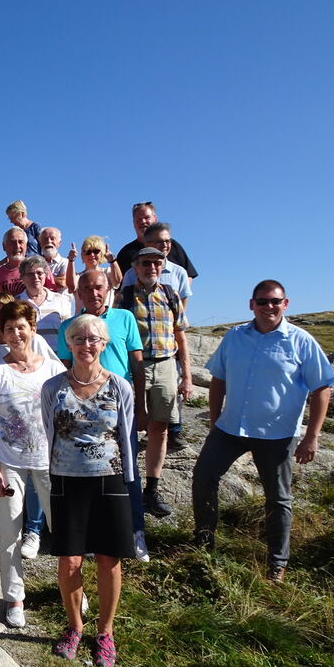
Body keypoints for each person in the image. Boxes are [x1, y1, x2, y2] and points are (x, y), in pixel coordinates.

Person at [192, 280, 334, 582]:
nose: (268, 307)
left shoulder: (301, 341)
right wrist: (215, 419)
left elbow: (322, 388)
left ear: (285, 304)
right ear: (251, 304)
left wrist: (312, 436)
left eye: (275, 301)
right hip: (230, 429)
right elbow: (218, 378)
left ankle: (276, 565)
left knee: (278, 498)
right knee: (204, 477)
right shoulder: (234, 337)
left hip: (277, 435)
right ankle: (204, 543)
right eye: (262, 301)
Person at [42, 314, 137, 667]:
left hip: (109, 479)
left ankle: (106, 632)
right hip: (66, 479)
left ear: (104, 343)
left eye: (93, 339)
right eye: (78, 339)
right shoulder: (53, 388)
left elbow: (127, 436)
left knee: (108, 560)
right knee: (69, 560)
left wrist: (131, 482)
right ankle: (74, 627)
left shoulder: (119, 386)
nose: (86, 345)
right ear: (68, 344)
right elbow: (47, 431)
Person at [0, 301, 65, 628]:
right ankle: (14, 598)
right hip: (9, 463)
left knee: (64, 530)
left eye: (21, 327)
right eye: (9, 328)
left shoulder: (52, 370)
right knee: (10, 533)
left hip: (49, 463)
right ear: (2, 331)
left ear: (32, 328)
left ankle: (72, 591)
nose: (15, 334)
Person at [56, 270, 149, 561]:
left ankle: (135, 532)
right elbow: (64, 367)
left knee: (127, 470)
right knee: (85, 475)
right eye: (86, 288)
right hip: (79, 408)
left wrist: (142, 406)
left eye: (98, 287)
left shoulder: (124, 318)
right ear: (78, 293)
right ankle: (89, 537)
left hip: (117, 405)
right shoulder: (68, 326)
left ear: (108, 289)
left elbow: (137, 364)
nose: (93, 293)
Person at [118, 247, 193, 519]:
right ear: (135, 267)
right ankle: (128, 485)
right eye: (145, 263)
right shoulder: (125, 297)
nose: (151, 268)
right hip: (134, 364)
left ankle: (152, 488)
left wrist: (187, 374)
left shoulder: (171, 295)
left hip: (165, 364)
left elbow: (180, 335)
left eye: (156, 263)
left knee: (160, 427)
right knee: (129, 426)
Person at [116, 201, 198, 281]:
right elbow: (118, 284)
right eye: (139, 219)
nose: (143, 221)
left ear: (155, 219)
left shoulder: (171, 245)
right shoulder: (125, 253)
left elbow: (188, 275)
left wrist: (176, 293)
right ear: (133, 223)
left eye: (147, 217)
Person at [119, 223, 192, 307]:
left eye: (167, 241)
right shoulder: (131, 274)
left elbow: (181, 310)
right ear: (146, 244)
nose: (165, 245)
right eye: (160, 241)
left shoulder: (179, 273)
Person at [18, 255, 75, 352]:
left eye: (39, 273)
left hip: (57, 360)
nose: (35, 277)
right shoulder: (16, 303)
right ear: (22, 277)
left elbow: (69, 333)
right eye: (30, 274)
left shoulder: (61, 300)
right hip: (27, 361)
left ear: (46, 275)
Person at [67, 235, 123, 307]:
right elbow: (71, 287)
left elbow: (117, 282)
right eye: (88, 252)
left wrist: (112, 261)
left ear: (102, 254)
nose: (92, 255)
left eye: (96, 251)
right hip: (83, 317)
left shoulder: (108, 272)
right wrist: (71, 260)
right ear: (82, 256)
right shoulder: (78, 277)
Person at [0, 228, 28, 296]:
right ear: (4, 246)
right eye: (12, 242)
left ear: (26, 245)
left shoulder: (38, 268)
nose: (17, 246)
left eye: (20, 242)